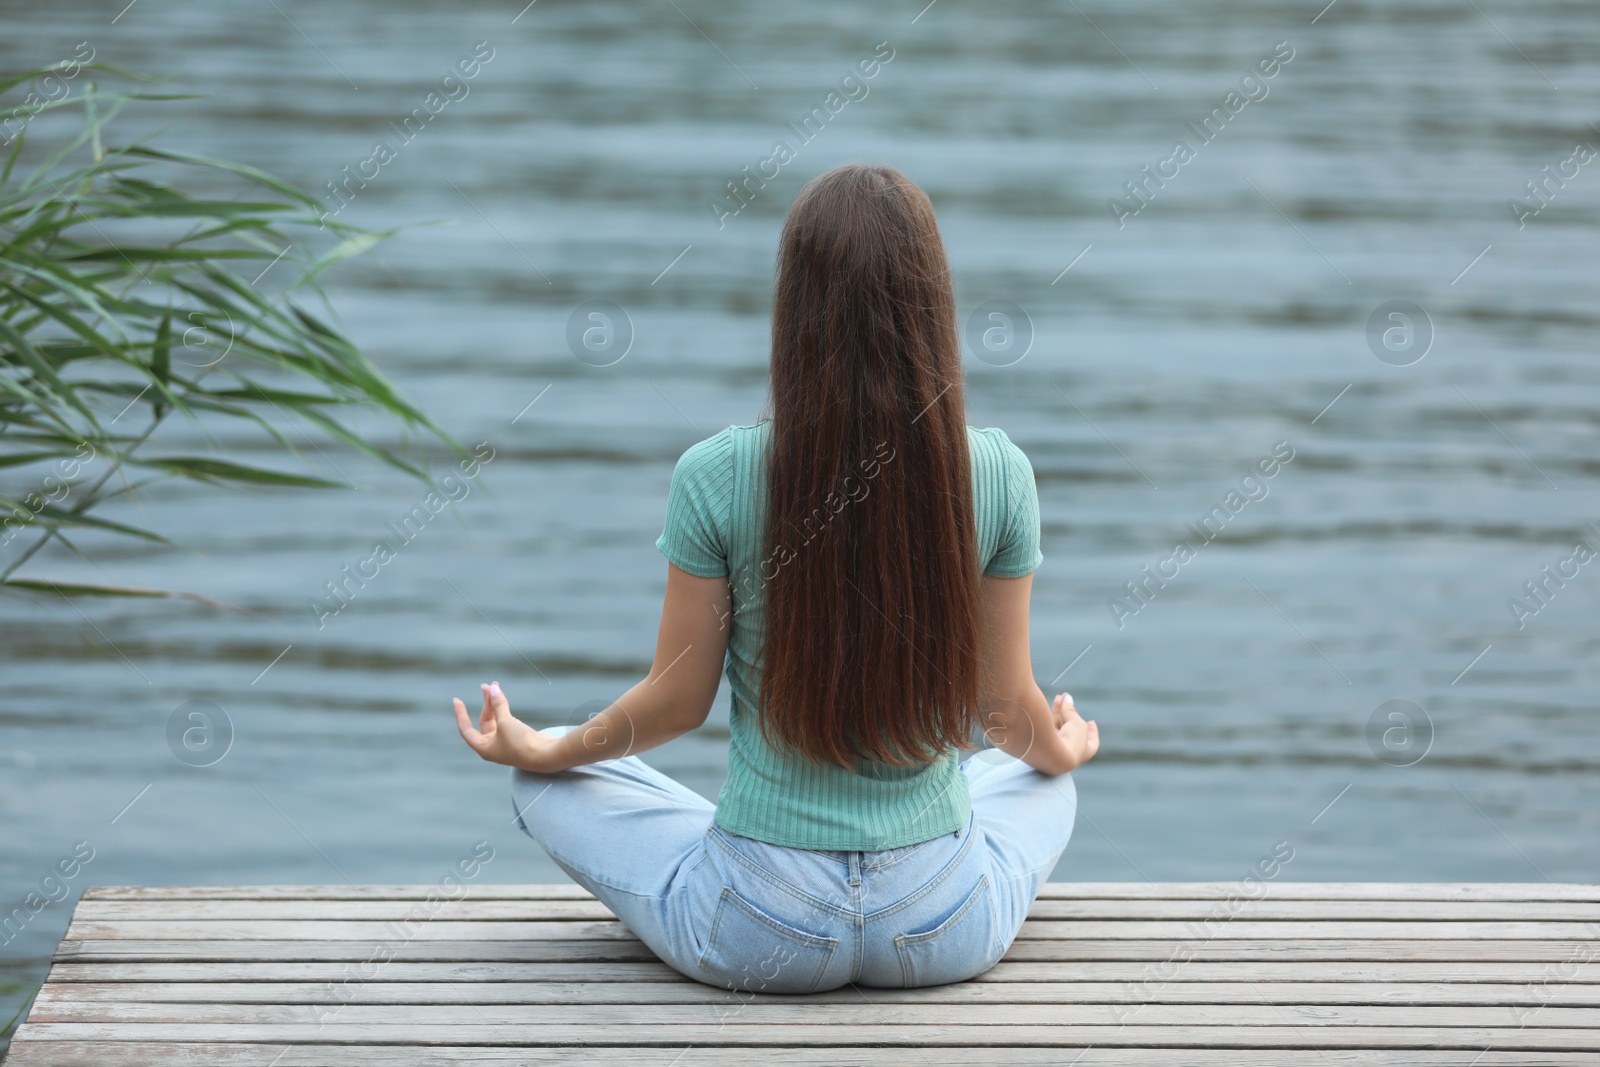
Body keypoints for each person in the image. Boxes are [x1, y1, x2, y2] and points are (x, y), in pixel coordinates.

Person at [451, 163, 1099, 994]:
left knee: (549, 785)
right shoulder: (999, 472)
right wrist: (1063, 747)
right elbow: (1005, 712)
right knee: (1040, 778)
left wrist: (547, 747)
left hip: (760, 924)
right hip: (940, 923)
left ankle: (685, 827)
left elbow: (677, 703)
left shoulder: (716, 473)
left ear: (796, 307)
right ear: (932, 304)